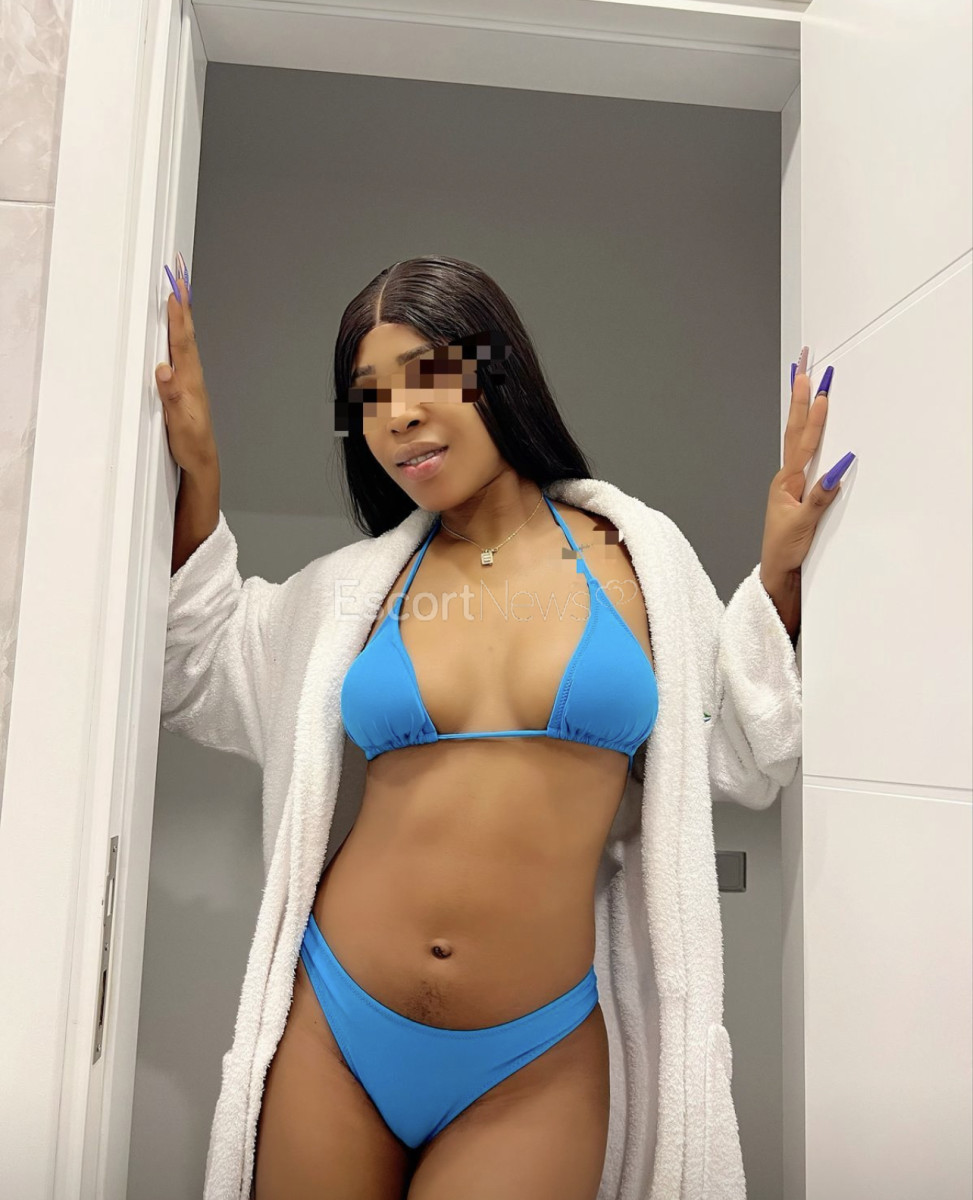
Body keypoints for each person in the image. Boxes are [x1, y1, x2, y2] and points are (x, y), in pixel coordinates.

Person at [158, 253, 844, 1200]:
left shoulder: (638, 561)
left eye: (424, 375)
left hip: (533, 1059)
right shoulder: (355, 590)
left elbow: (738, 752)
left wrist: (777, 579)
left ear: (497, 372)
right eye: (369, 396)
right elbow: (200, 659)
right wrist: (197, 467)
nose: (397, 416)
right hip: (335, 1025)